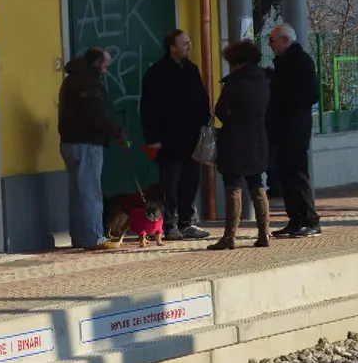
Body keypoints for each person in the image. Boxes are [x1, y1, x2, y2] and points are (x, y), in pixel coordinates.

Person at [140, 29, 211, 241]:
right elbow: (148, 108)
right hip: (168, 141)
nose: (189, 47)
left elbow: (202, 99)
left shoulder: (191, 69)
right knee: (170, 184)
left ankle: (187, 222)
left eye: (189, 43)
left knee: (191, 182)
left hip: (192, 139)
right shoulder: (157, 73)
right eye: (184, 44)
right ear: (172, 47)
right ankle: (169, 224)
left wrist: (204, 122)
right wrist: (152, 137)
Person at [58, 47, 127, 251]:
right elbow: (95, 115)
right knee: (90, 192)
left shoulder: (71, 79)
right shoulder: (88, 83)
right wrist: (116, 131)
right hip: (85, 143)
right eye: (105, 66)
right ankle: (94, 237)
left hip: (70, 142)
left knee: (78, 192)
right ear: (96, 63)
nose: (106, 70)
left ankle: (81, 236)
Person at [208, 40, 271, 251]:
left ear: (237, 62)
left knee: (233, 186)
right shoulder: (263, 80)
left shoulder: (235, 83)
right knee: (257, 184)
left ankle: (230, 236)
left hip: (234, 140)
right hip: (258, 138)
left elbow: (220, 109)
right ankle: (264, 232)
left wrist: (232, 120)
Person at [266, 23, 321, 238]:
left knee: (297, 173)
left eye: (272, 40)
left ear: (285, 40)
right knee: (286, 174)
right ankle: (295, 219)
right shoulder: (283, 62)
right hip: (284, 126)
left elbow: (311, 94)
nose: (270, 45)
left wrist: (286, 101)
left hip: (295, 127)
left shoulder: (299, 61)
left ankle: (310, 218)